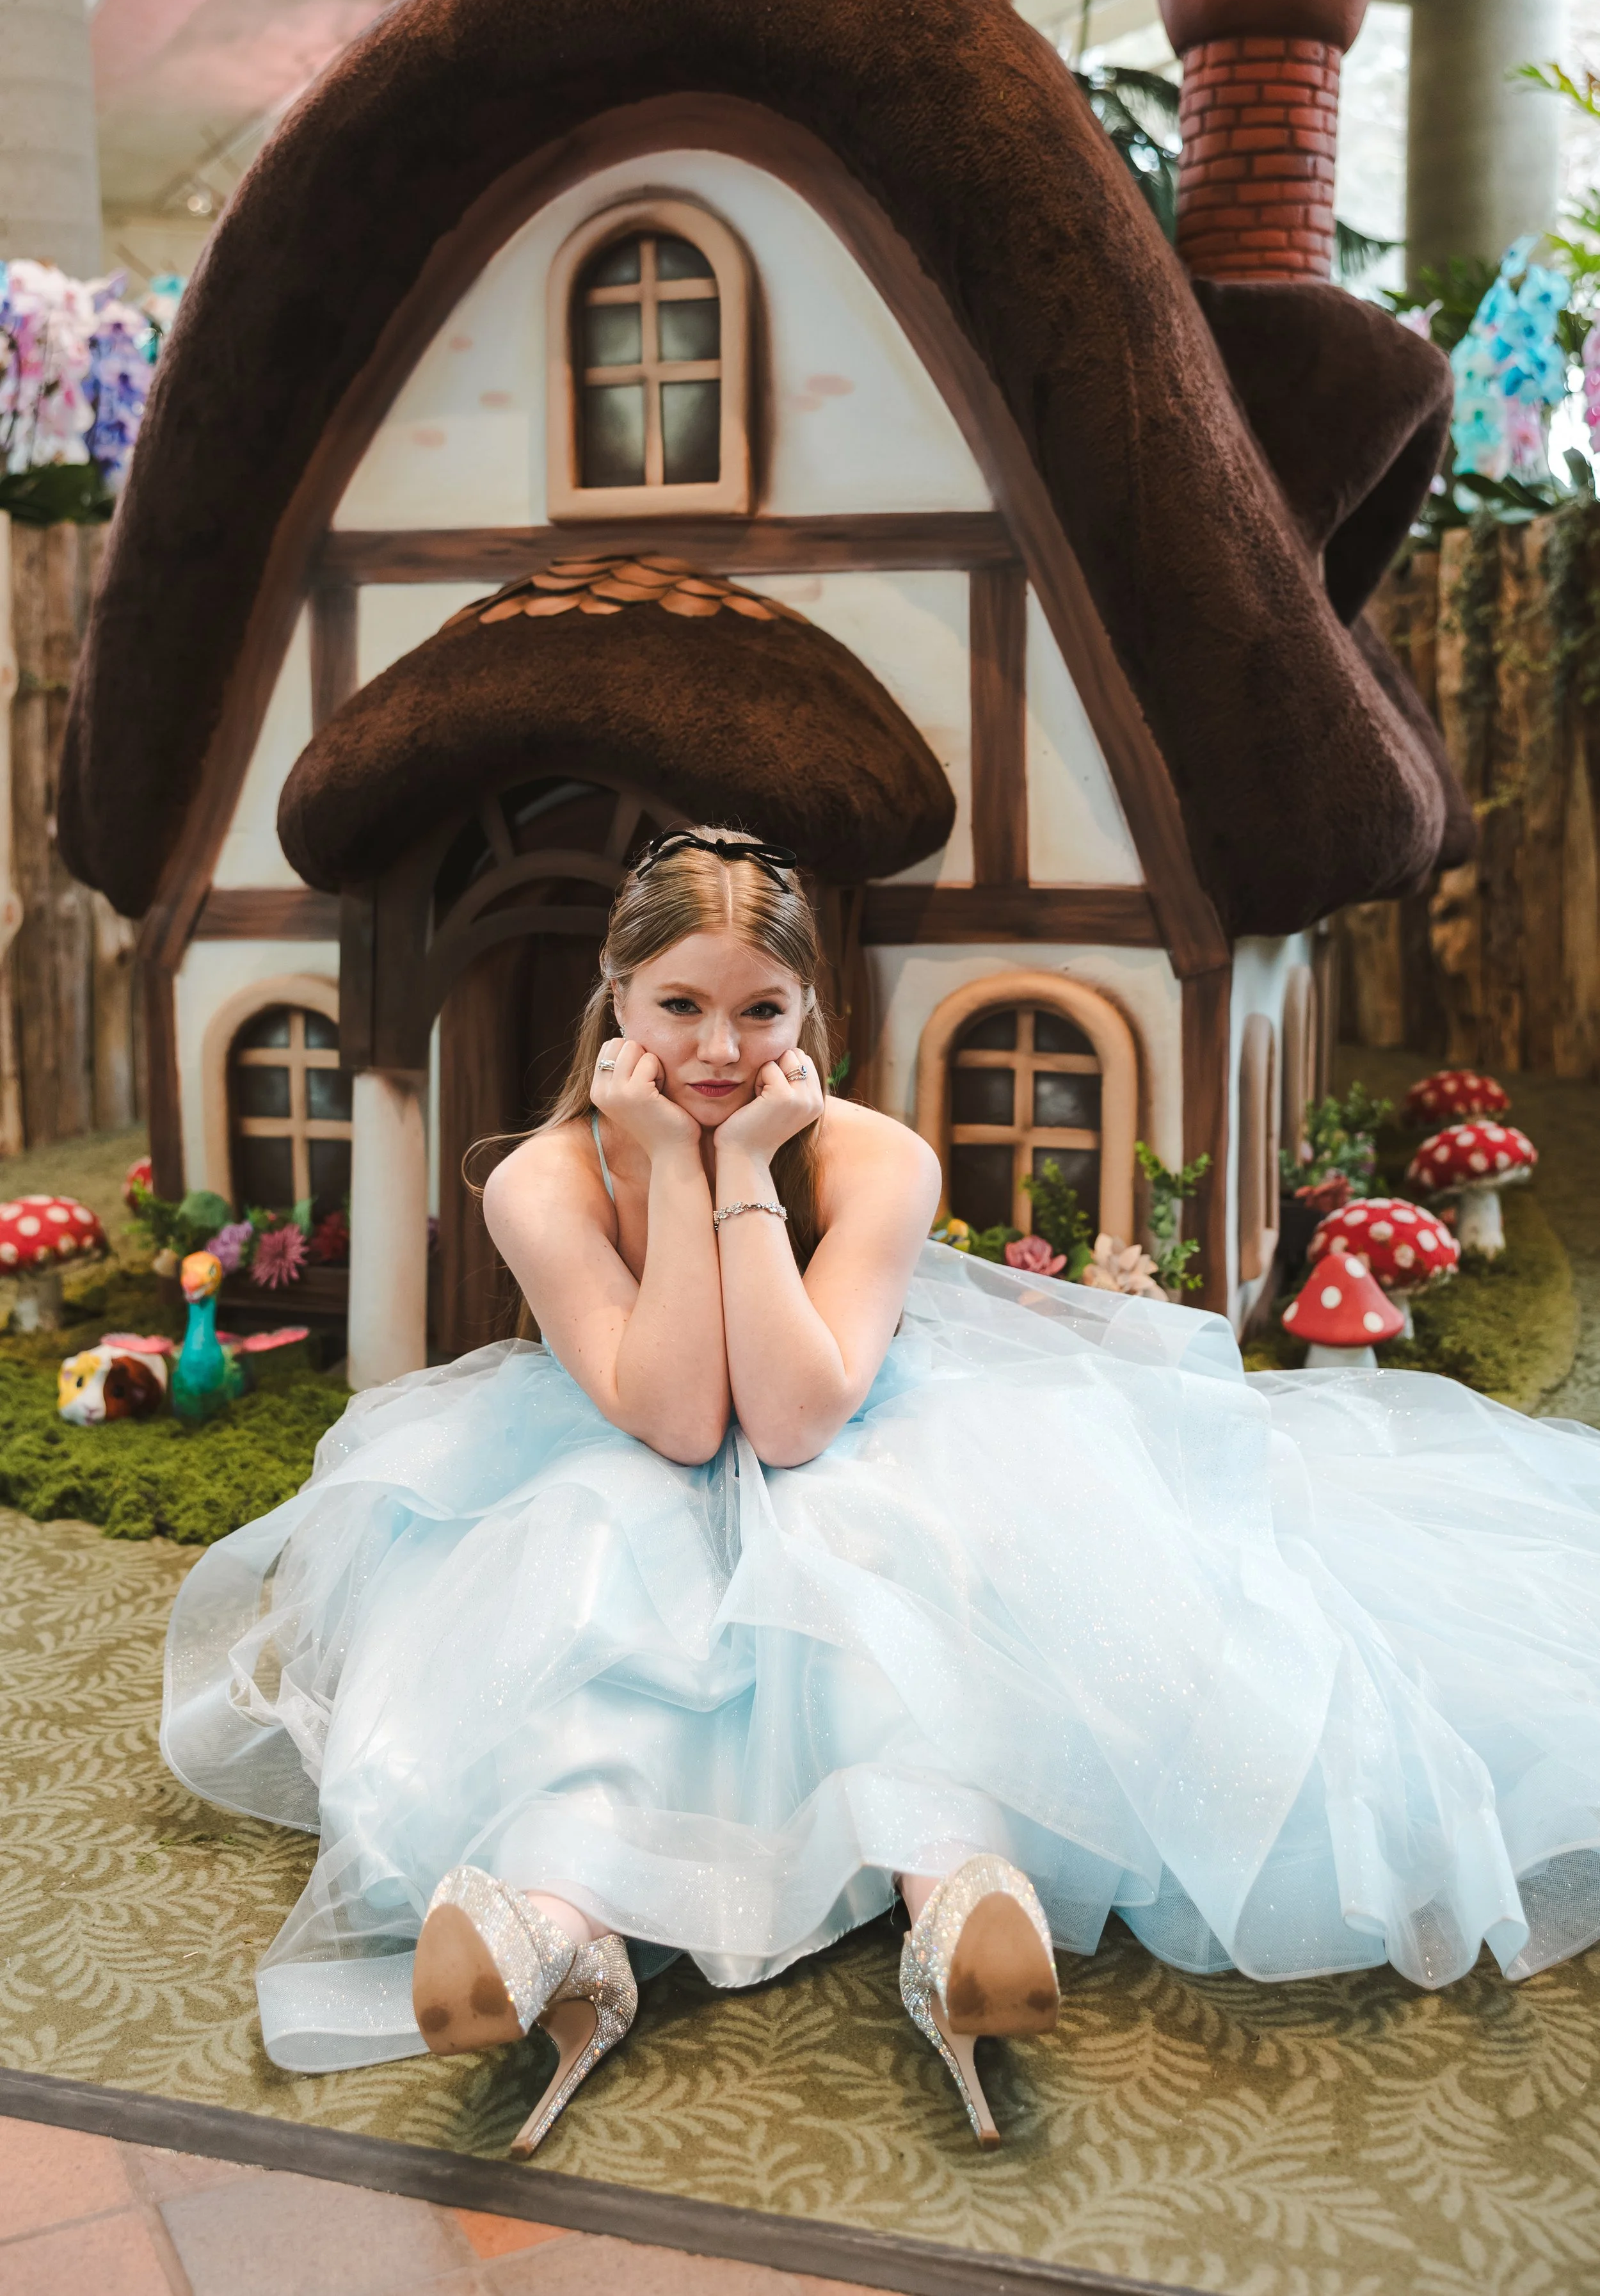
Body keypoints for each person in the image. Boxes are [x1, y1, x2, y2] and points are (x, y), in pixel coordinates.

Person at [163, 827, 1600, 2160]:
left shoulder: (877, 1159)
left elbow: (788, 1422)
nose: (719, 1048)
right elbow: (672, 1419)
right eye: (676, 1007)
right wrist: (671, 1158)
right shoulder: (540, 1178)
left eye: (761, 1010)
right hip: (616, 1453)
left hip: (861, 1439)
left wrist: (737, 1169)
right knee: (603, 1580)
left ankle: (954, 1890)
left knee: (875, 1566)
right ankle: (549, 1920)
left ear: (812, 1016)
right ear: (613, 1001)